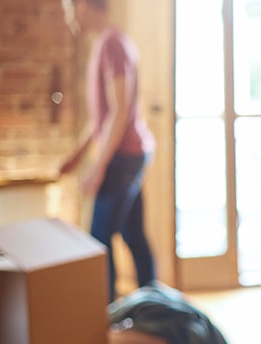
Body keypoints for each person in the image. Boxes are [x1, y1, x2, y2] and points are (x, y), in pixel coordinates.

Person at [59, 0, 156, 303]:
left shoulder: (112, 44)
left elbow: (121, 108)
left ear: (86, 6)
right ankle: (154, 305)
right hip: (129, 153)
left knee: (99, 239)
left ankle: (107, 316)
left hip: (123, 156)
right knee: (133, 236)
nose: (70, 16)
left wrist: (99, 166)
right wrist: (79, 154)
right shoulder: (107, 44)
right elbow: (103, 116)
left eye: (71, 8)